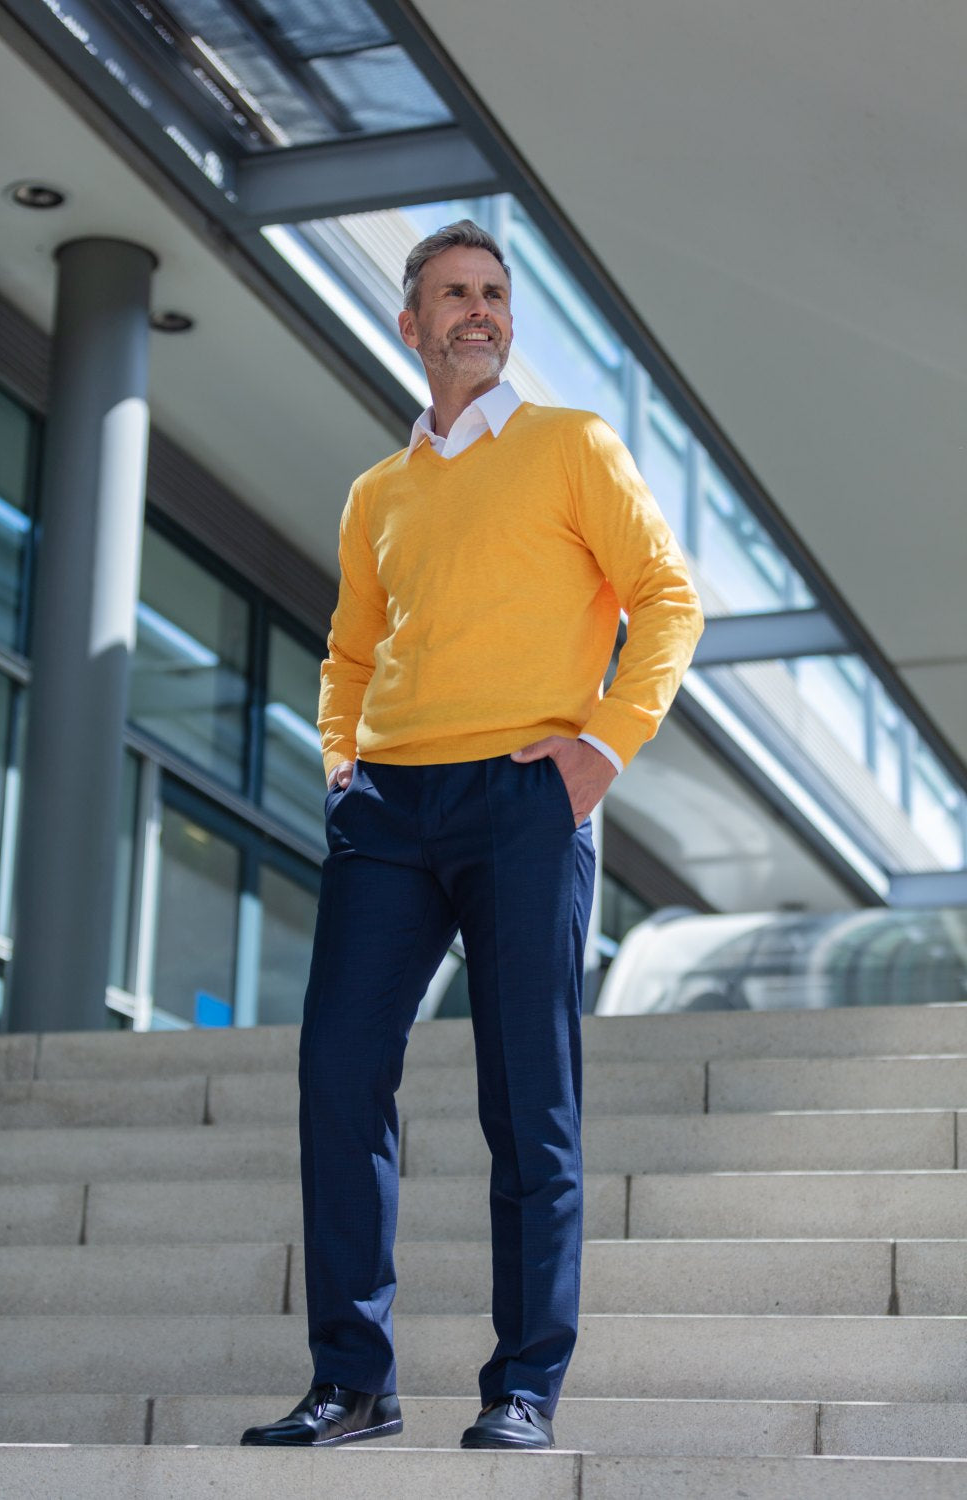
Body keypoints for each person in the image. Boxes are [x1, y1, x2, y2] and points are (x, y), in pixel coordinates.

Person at [241, 220, 704, 1453]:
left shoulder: (572, 448)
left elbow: (667, 598)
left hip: (523, 795)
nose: (481, 310)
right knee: (338, 1075)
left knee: (527, 1101)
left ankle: (523, 1389)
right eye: (454, 293)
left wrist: (601, 748)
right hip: (388, 806)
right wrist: (342, 770)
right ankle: (353, 1381)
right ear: (413, 325)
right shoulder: (377, 495)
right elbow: (346, 654)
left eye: (495, 292)